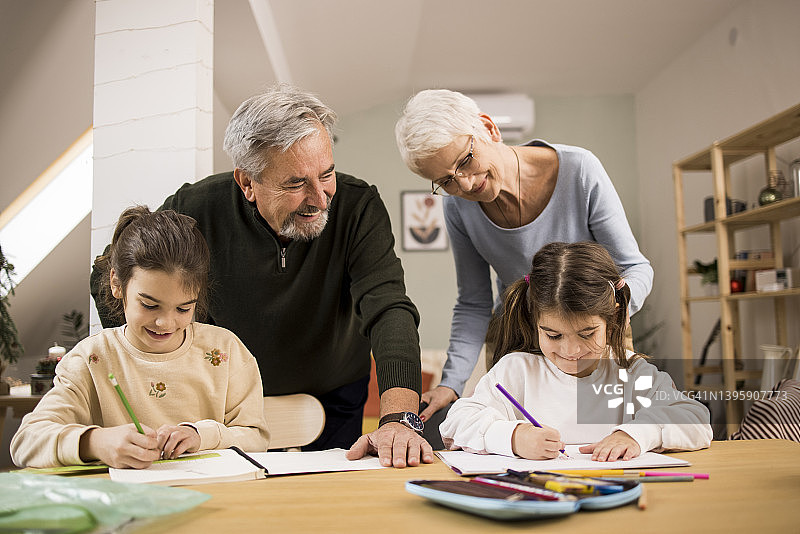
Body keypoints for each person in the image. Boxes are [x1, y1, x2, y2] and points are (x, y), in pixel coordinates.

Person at [90, 84, 432, 468]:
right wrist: (159, 361)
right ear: (248, 183)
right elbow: (109, 272)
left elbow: (389, 308)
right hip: (227, 401)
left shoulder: (357, 207)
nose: (320, 198)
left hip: (335, 394)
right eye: (295, 183)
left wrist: (401, 418)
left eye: (327, 174)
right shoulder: (197, 207)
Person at [395, 89, 654, 447]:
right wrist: (450, 384)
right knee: (515, 443)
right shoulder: (458, 208)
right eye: (447, 181)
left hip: (593, 330)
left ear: (488, 128)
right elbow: (473, 302)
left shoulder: (579, 170)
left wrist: (612, 312)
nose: (465, 184)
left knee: (603, 441)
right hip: (517, 334)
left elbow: (635, 268)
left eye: (466, 161)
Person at [12, 207, 270, 468]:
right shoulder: (91, 359)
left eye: (184, 308)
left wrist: (200, 435)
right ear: (116, 283)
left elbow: (256, 438)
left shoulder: (225, 351)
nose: (165, 323)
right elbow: (26, 442)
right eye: (149, 305)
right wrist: (96, 442)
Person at [439, 241, 711, 461]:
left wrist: (636, 435)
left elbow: (696, 420)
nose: (571, 350)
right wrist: (514, 437)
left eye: (587, 333)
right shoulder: (516, 371)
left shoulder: (632, 372)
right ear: (535, 323)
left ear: (613, 319)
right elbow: (455, 423)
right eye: (553, 335)